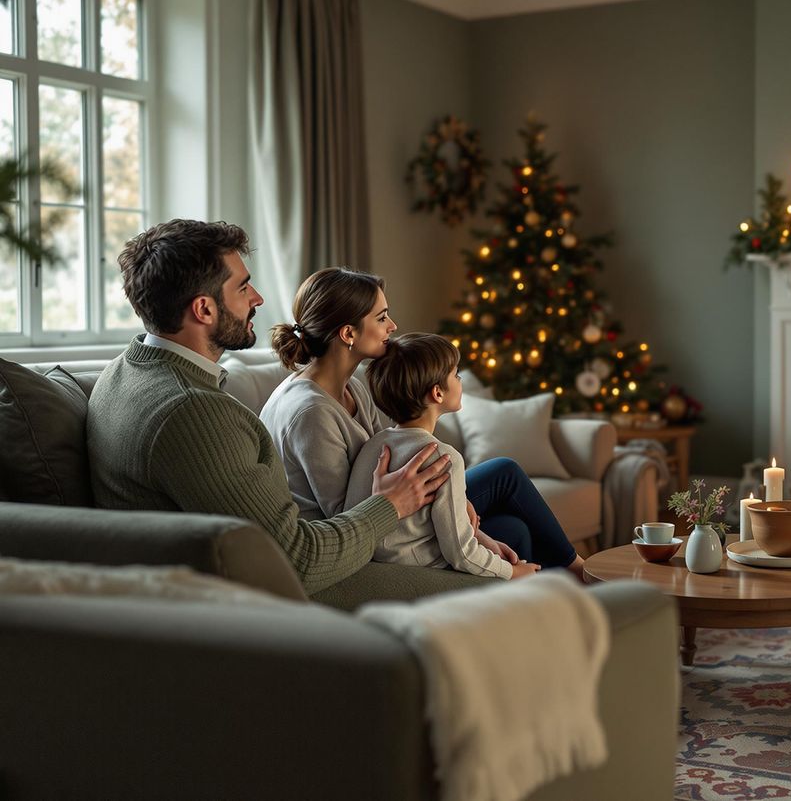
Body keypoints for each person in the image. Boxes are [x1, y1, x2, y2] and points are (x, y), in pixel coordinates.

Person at [86, 220, 451, 596]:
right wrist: (391, 503)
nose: (257, 298)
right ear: (204, 309)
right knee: (502, 587)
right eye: (243, 288)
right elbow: (297, 562)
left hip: (241, 577)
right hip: (280, 597)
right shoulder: (192, 412)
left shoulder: (122, 371)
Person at [260, 267, 570, 568]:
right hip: (361, 544)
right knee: (505, 480)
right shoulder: (310, 412)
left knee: (511, 525)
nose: (392, 326)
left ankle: (554, 592)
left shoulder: (351, 386)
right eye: (381, 318)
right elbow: (346, 517)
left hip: (391, 510)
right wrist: (446, 501)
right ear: (348, 333)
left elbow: (390, 453)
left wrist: (459, 503)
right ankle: (573, 574)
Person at [346, 332, 585, 580]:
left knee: (516, 529)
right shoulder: (443, 458)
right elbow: (460, 552)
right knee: (517, 548)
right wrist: (513, 572)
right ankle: (549, 590)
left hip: (384, 561)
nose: (460, 381)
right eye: (456, 375)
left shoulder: (372, 446)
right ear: (437, 393)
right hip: (421, 569)